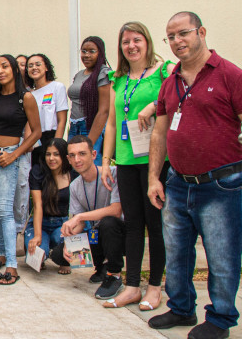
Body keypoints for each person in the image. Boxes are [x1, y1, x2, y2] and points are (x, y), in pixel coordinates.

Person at [147, 11, 242, 339]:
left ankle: (221, 316)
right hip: (179, 182)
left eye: (184, 33)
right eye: (171, 37)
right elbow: (160, 132)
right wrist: (155, 177)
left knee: (222, 253)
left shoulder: (232, 76)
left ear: (201, 32)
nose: (178, 41)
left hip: (220, 183)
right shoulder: (172, 81)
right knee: (177, 250)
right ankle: (181, 307)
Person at [101, 22, 173, 310]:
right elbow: (111, 122)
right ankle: (132, 286)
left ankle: (154, 288)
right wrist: (107, 161)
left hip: (156, 160)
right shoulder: (117, 79)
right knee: (132, 224)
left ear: (147, 42)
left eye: (136, 40)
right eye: (125, 42)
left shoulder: (164, 70)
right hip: (127, 160)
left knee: (155, 225)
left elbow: (175, 100)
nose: (131, 46)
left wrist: (153, 105)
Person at [0, 54, 41, 285]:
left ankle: (12, 266)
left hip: (9, 155)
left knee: (5, 210)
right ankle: (2, 253)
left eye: (5, 66)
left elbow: (36, 132)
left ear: (14, 69)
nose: (0, 71)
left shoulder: (26, 98)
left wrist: (14, 154)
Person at [61, 136, 126, 299]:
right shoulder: (75, 185)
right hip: (99, 235)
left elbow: (116, 210)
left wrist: (80, 217)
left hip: (122, 235)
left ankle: (115, 275)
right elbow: (80, 224)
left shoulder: (113, 173)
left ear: (94, 154)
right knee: (59, 253)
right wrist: (69, 240)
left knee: (108, 223)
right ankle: (101, 267)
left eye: (82, 154)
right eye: (72, 155)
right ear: (68, 159)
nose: (77, 159)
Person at [25, 138, 76, 274]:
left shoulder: (73, 174)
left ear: (64, 156)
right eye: (48, 154)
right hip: (41, 223)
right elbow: (37, 205)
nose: (51, 158)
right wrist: (37, 235)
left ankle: (63, 260)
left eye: (56, 154)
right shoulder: (37, 171)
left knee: (63, 246)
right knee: (37, 254)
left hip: (63, 223)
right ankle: (43, 253)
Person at [67, 36, 111, 166]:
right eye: (83, 51)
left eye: (92, 51)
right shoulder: (79, 74)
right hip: (74, 127)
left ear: (100, 53)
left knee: (91, 166)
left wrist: (89, 142)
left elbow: (104, 110)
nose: (86, 55)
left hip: (91, 126)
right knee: (75, 167)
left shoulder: (103, 73)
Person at [26, 54, 68, 164]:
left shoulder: (57, 87)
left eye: (38, 64)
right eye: (30, 66)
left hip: (51, 137)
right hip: (35, 141)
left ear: (46, 68)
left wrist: (56, 145)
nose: (34, 67)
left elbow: (62, 120)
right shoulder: (29, 94)